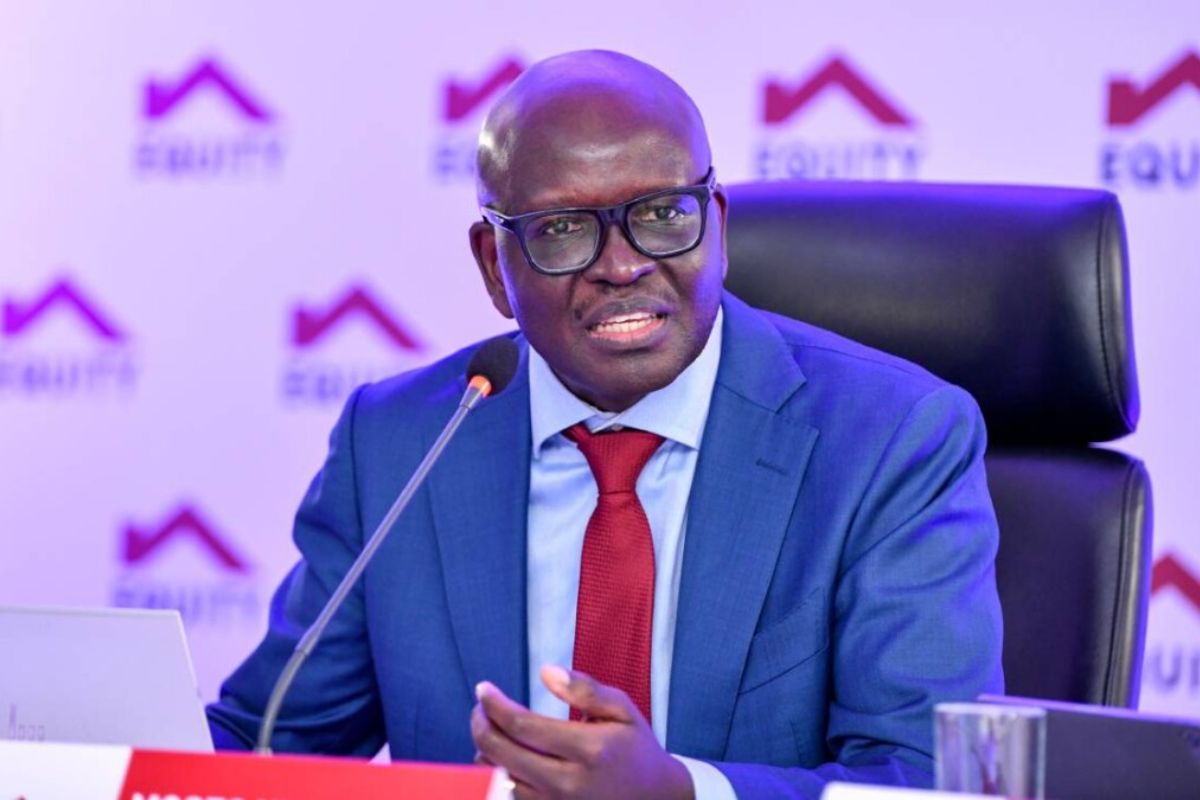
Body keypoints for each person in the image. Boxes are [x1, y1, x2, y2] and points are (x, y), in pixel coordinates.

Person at [207, 50, 1004, 798]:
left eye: (662, 213)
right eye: (562, 229)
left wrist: (684, 792)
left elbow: (925, 778)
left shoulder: (891, 439)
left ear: (717, 226)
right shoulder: (400, 445)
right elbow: (265, 742)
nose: (622, 265)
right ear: (493, 266)